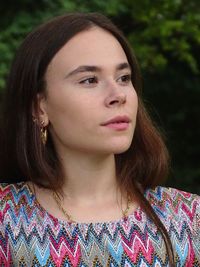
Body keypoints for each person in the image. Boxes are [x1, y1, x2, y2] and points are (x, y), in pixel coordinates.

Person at [0, 12, 199, 267]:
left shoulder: (188, 220)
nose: (118, 95)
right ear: (39, 108)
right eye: (90, 80)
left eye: (124, 78)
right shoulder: (7, 222)